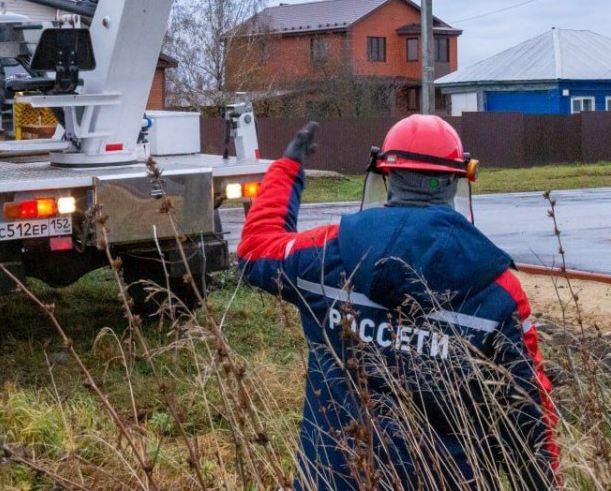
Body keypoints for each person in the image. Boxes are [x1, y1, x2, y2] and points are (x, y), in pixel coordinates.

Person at [238, 116, 559, 490]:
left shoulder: (328, 256)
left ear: (386, 175)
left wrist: (287, 170)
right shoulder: (499, 291)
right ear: (457, 180)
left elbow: (256, 250)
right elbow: (528, 414)